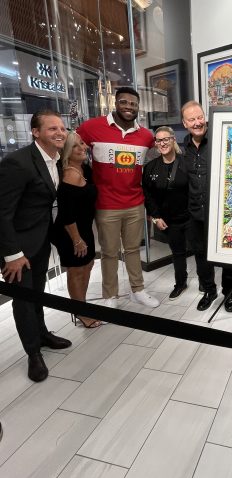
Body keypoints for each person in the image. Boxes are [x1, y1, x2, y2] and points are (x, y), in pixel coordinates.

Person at [0, 110, 72, 382]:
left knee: (37, 294)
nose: (60, 133)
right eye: (52, 128)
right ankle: (33, 354)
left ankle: (42, 335)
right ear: (35, 132)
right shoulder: (17, 163)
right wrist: (12, 255)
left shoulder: (55, 160)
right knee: (23, 300)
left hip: (40, 241)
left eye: (62, 128)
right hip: (17, 250)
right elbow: (2, 212)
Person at [77, 87, 159, 309]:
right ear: (115, 103)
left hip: (135, 203)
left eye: (133, 104)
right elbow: (72, 148)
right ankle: (110, 295)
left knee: (133, 249)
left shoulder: (145, 136)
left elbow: (156, 161)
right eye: (124, 102)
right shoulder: (91, 127)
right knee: (109, 252)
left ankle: (138, 290)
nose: (129, 107)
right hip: (106, 204)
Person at [181, 101, 232, 312]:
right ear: (185, 123)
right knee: (201, 254)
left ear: (205, 117)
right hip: (194, 214)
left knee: (227, 256)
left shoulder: (221, 139)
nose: (197, 122)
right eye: (192, 119)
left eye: (199, 117)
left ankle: (228, 293)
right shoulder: (182, 149)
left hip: (221, 214)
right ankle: (209, 290)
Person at [52, 132, 101, 328]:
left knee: (87, 266)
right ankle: (80, 312)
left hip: (84, 228)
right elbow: (66, 215)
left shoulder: (84, 169)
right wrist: (77, 240)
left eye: (82, 144)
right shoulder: (69, 175)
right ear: (66, 152)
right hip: (70, 232)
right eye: (75, 146)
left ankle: (83, 306)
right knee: (76, 271)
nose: (82, 148)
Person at [143, 126, 190, 300]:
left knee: (200, 251)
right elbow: (148, 195)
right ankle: (180, 283)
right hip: (170, 220)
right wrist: (155, 217)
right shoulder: (151, 168)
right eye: (159, 140)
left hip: (190, 217)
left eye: (166, 139)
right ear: (156, 144)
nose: (163, 143)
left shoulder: (186, 163)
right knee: (178, 253)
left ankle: (206, 284)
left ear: (173, 140)